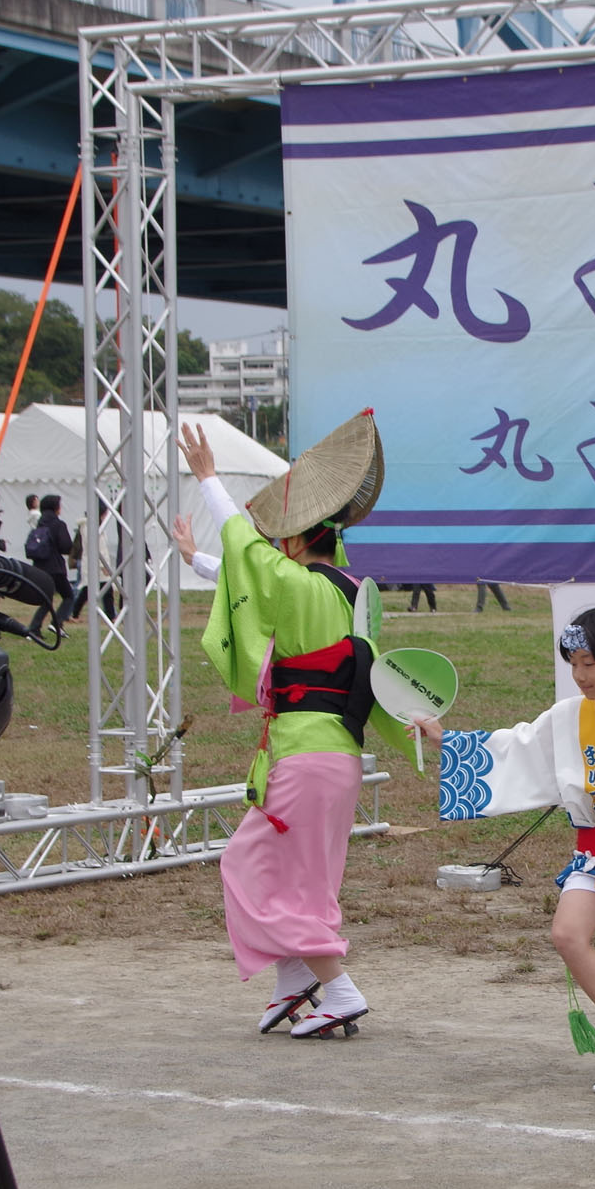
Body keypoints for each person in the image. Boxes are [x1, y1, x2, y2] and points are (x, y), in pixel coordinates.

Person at [181, 412, 414, 1039]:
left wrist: (208, 481)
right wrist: (201, 559)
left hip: (306, 756)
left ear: (292, 541)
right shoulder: (348, 591)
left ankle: (336, 987)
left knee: (250, 866)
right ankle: (293, 979)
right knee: (294, 874)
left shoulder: (296, 585)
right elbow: (249, 574)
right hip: (329, 756)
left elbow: (248, 558)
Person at [415, 607, 595, 1093]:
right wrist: (445, 738)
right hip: (594, 854)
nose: (580, 675)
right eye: (573, 663)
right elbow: (514, 746)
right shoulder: (566, 715)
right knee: (567, 933)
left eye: (589, 664)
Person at [24, 492, 76, 628]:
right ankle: (57, 623)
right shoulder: (58, 524)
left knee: (47, 599)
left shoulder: (39, 524)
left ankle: (35, 628)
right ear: (55, 507)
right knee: (68, 596)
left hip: (39, 566)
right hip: (55, 567)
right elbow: (65, 546)